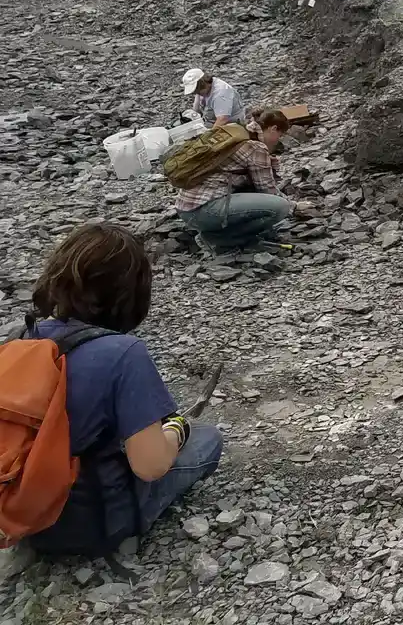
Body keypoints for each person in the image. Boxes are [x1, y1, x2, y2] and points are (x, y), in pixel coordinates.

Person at [17, 223, 224, 557]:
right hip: (93, 525)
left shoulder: (25, 337)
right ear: (132, 292)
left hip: (24, 515)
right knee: (207, 438)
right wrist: (177, 429)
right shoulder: (124, 352)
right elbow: (150, 466)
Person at [173, 108, 306, 250]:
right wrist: (294, 207)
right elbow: (267, 189)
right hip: (203, 210)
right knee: (280, 207)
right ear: (273, 129)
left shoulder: (236, 132)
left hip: (187, 208)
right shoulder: (255, 146)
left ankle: (215, 231)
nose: (278, 141)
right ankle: (216, 238)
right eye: (279, 135)